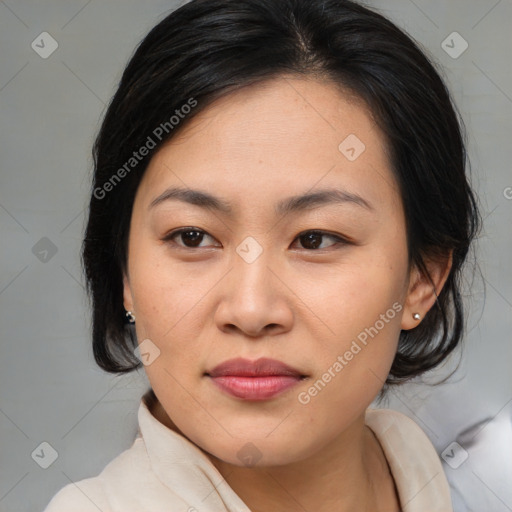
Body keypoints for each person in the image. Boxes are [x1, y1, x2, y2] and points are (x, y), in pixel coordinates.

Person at [44, 0, 481, 510]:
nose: (251, 311)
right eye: (192, 237)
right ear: (124, 271)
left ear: (423, 276)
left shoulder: (431, 474)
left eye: (314, 239)